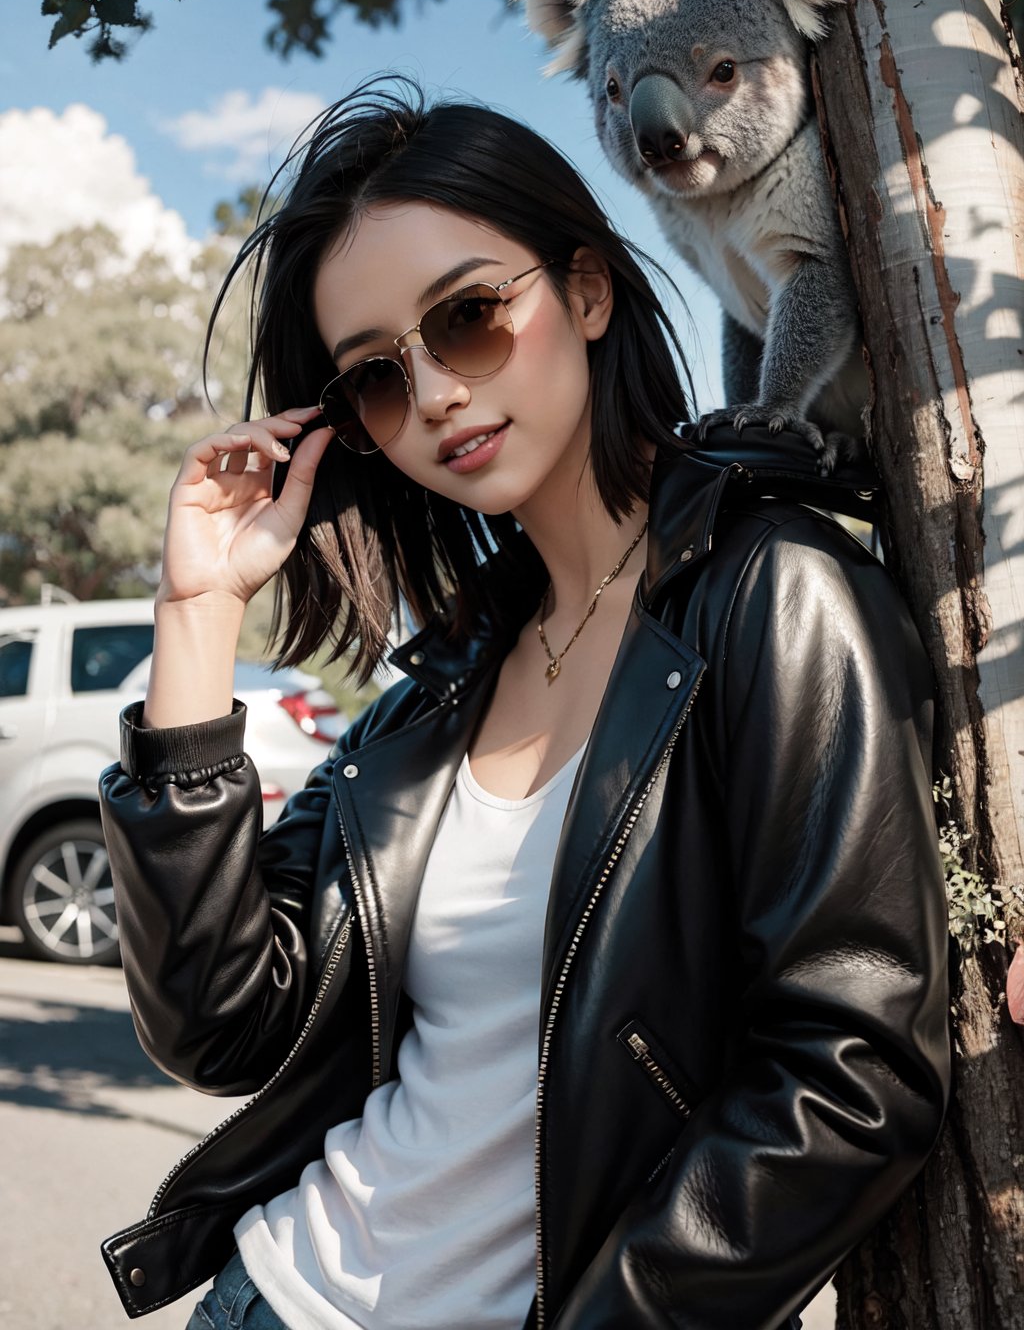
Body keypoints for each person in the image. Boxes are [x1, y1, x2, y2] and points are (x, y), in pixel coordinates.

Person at [98, 78, 950, 1330]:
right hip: (268, 1295)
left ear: (587, 290)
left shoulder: (776, 595)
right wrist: (196, 614)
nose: (436, 390)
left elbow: (850, 1073)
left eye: (469, 317)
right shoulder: (443, 680)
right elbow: (220, 1023)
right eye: (379, 379)